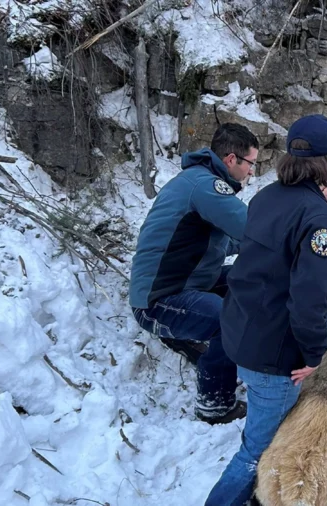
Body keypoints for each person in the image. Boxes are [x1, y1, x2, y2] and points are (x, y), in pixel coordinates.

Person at [204, 114, 327, 505]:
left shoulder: (267, 196)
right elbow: (309, 300)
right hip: (274, 355)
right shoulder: (318, 218)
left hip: (242, 333)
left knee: (261, 434)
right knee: (259, 451)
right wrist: (316, 356)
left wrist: (320, 206)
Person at [128, 122, 259, 425]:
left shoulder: (199, 182)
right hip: (158, 301)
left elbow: (229, 242)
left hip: (190, 281)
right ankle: (215, 405)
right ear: (231, 160)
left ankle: (213, 346)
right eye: (251, 163)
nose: (252, 171)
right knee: (229, 318)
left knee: (250, 277)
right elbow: (252, 230)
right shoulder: (207, 187)